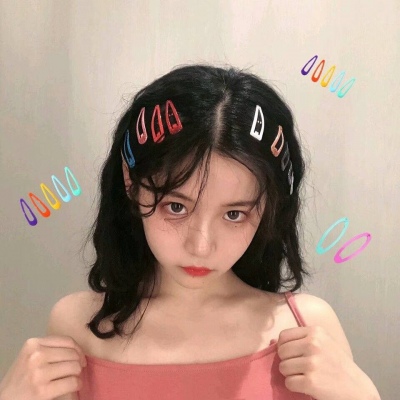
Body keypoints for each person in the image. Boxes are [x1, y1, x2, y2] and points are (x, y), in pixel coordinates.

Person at [0, 64, 381, 400]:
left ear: (269, 207)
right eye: (176, 207)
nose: (200, 246)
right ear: (131, 182)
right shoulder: (77, 324)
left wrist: (362, 395)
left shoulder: (305, 327)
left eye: (234, 214)